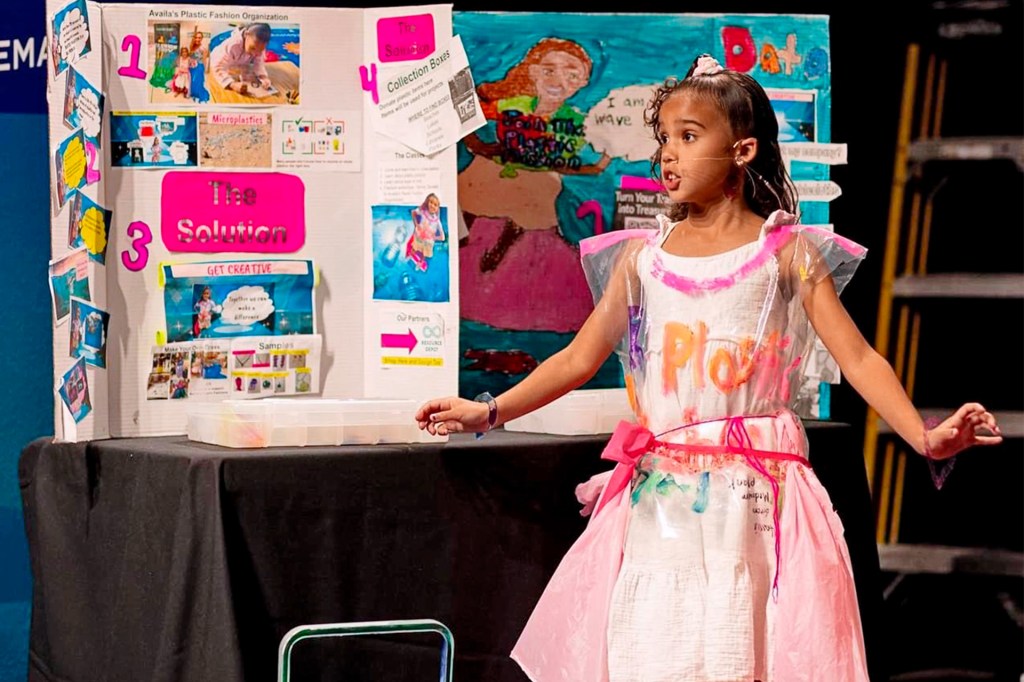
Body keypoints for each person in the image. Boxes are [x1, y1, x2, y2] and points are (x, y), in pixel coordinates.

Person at [416, 54, 1002, 682]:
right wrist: (490, 409)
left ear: (743, 149)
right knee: (656, 647)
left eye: (689, 137)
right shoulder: (643, 259)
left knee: (744, 644)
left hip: (753, 497)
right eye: (663, 138)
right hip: (665, 493)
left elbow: (856, 355)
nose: (668, 154)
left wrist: (924, 434)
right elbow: (579, 356)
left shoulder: (785, 253)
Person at [459, 37, 610, 335]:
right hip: (489, 185)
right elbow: (468, 126)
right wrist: (484, 149)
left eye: (571, 73)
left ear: (583, 82)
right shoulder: (509, 106)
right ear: (533, 71)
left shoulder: (578, 123)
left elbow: (561, 165)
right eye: (549, 69)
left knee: (542, 189)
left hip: (533, 202)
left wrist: (601, 163)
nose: (559, 80)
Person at [210, 22, 272, 96]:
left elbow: (259, 62)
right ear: (246, 34)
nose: (255, 54)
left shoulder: (258, 46)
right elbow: (218, 67)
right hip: (216, 61)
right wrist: (232, 84)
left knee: (248, 74)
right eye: (252, 48)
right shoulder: (232, 45)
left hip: (239, 63)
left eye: (261, 50)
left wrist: (263, 77)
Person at [406, 192, 445, 271]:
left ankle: (420, 262)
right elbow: (413, 213)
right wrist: (417, 225)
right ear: (427, 202)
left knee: (424, 253)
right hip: (419, 236)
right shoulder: (422, 211)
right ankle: (411, 254)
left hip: (427, 241)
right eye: (431, 202)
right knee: (415, 247)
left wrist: (433, 236)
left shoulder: (437, 221)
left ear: (438, 207)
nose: (432, 206)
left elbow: (442, 237)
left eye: (435, 205)